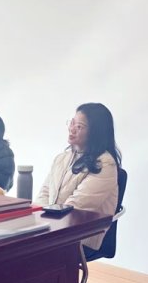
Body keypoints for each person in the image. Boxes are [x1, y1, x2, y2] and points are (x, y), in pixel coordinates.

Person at [35, 103, 121, 253]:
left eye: (79, 126)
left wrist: (43, 228)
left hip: (80, 236)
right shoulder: (61, 158)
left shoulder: (105, 163)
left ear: (95, 132)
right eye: (72, 123)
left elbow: (77, 207)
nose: (72, 129)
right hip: (54, 228)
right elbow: (44, 193)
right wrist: (36, 222)